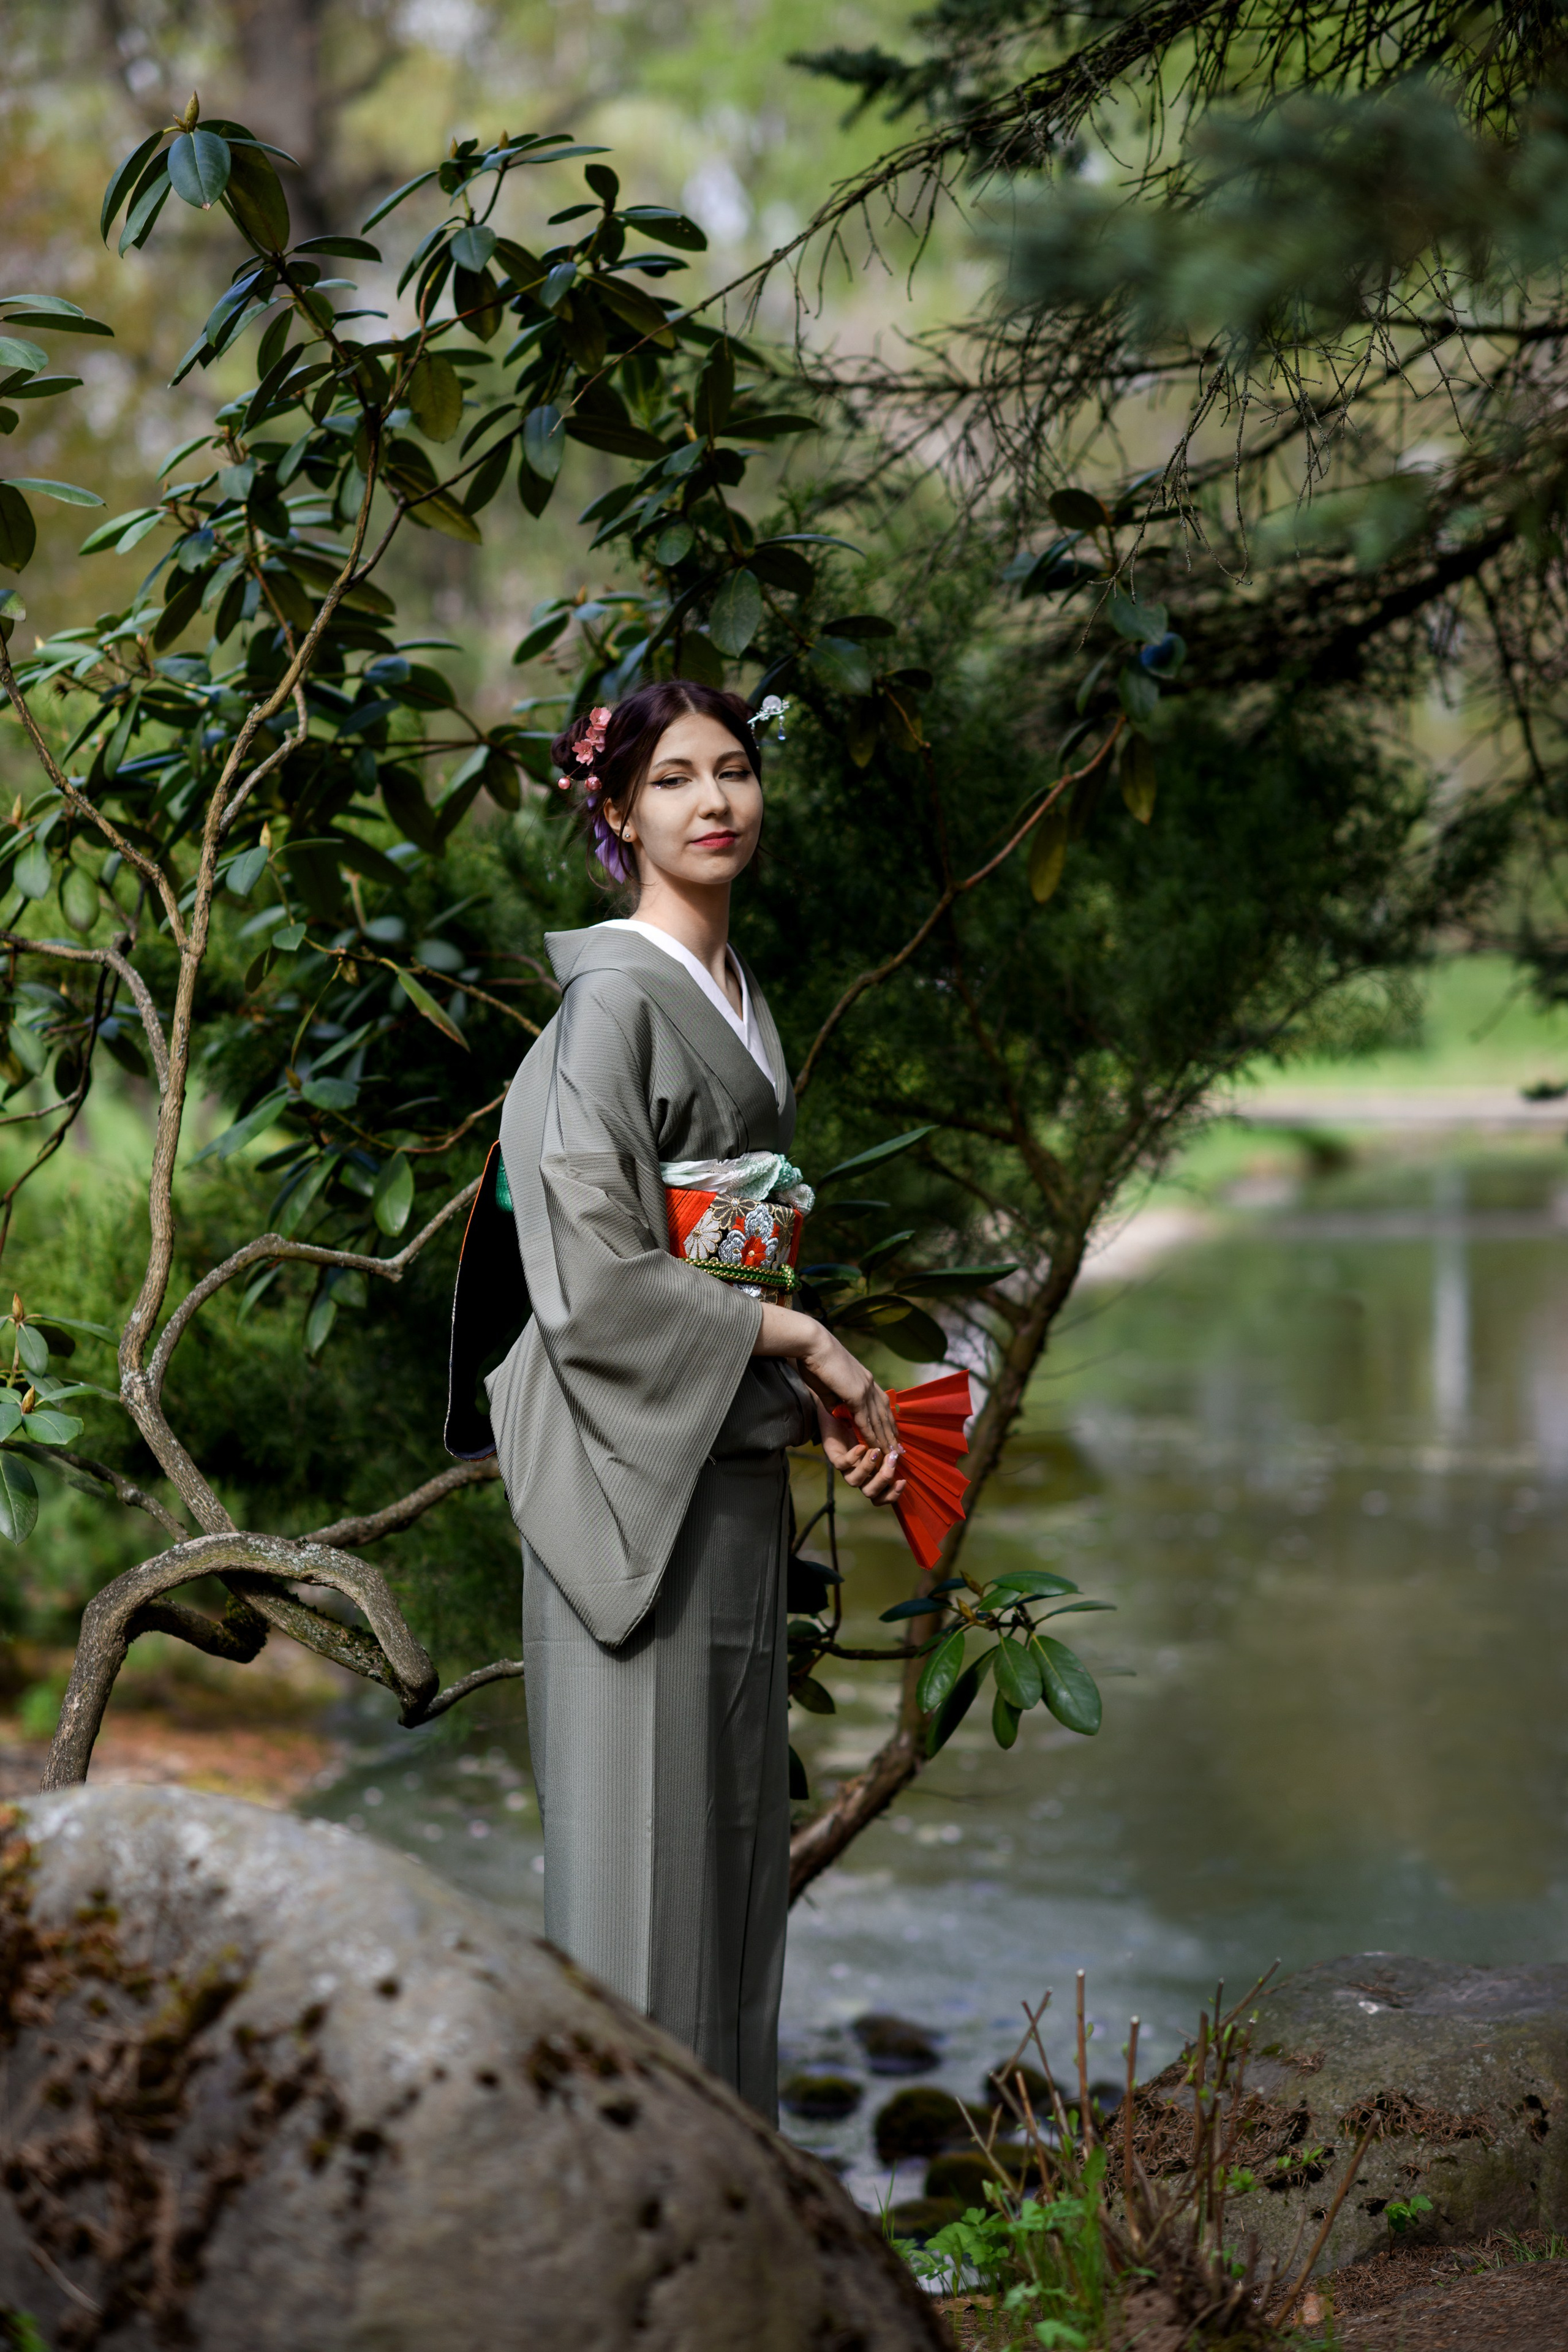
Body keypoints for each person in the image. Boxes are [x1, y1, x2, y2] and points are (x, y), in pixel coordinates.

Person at [483, 679, 905, 2121]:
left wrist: (786, 1364)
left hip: (723, 1456)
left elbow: (727, 1235)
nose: (713, 801)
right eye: (671, 780)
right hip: (629, 1477)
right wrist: (798, 1334)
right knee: (636, 1894)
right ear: (615, 814)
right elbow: (594, 1278)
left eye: (733, 770)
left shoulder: (734, 995)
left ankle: (729, 2224)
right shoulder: (611, 1003)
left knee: (728, 1878)